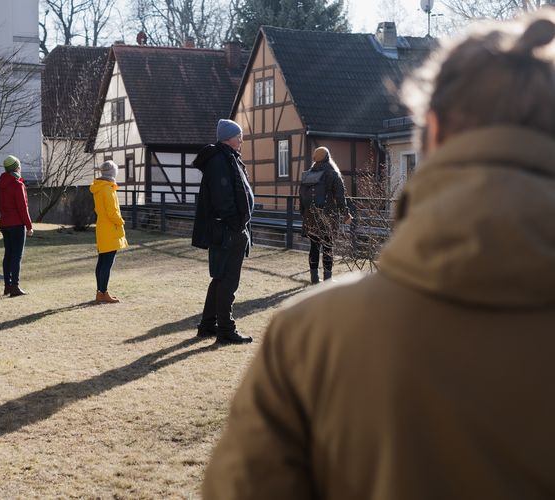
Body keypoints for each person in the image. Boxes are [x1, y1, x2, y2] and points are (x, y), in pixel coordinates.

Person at [203, 11, 555, 499]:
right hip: (316, 225)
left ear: (429, 131)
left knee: (316, 262)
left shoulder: (312, 337)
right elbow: (336, 197)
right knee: (318, 260)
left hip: (312, 233)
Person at [191, 119, 254, 344]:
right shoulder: (220, 160)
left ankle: (208, 325)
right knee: (228, 280)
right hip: (228, 231)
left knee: (219, 278)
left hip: (227, 229)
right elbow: (223, 198)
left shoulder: (225, 157)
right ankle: (226, 330)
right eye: (239, 136)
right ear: (229, 137)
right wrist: (237, 224)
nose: (241, 140)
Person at [299, 147, 352, 284]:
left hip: (310, 216)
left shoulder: (307, 175)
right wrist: (345, 213)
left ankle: (314, 278)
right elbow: (340, 197)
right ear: (328, 158)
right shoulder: (333, 174)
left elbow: (301, 198)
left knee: (314, 246)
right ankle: (328, 279)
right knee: (328, 246)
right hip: (327, 216)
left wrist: (304, 215)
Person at [89, 160, 128, 304]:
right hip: (111, 228)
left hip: (102, 227)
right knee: (107, 262)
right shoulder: (108, 188)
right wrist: (121, 222)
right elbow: (113, 212)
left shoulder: (99, 187)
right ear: (113, 173)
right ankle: (103, 292)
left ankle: (100, 291)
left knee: (102, 261)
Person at [0, 155, 33, 297]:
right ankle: (15, 287)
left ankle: (7, 286)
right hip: (17, 224)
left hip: (4, 223)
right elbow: (23, 208)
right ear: (16, 168)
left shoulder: (1, 183)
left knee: (8, 255)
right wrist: (29, 226)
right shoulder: (18, 185)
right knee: (16, 256)